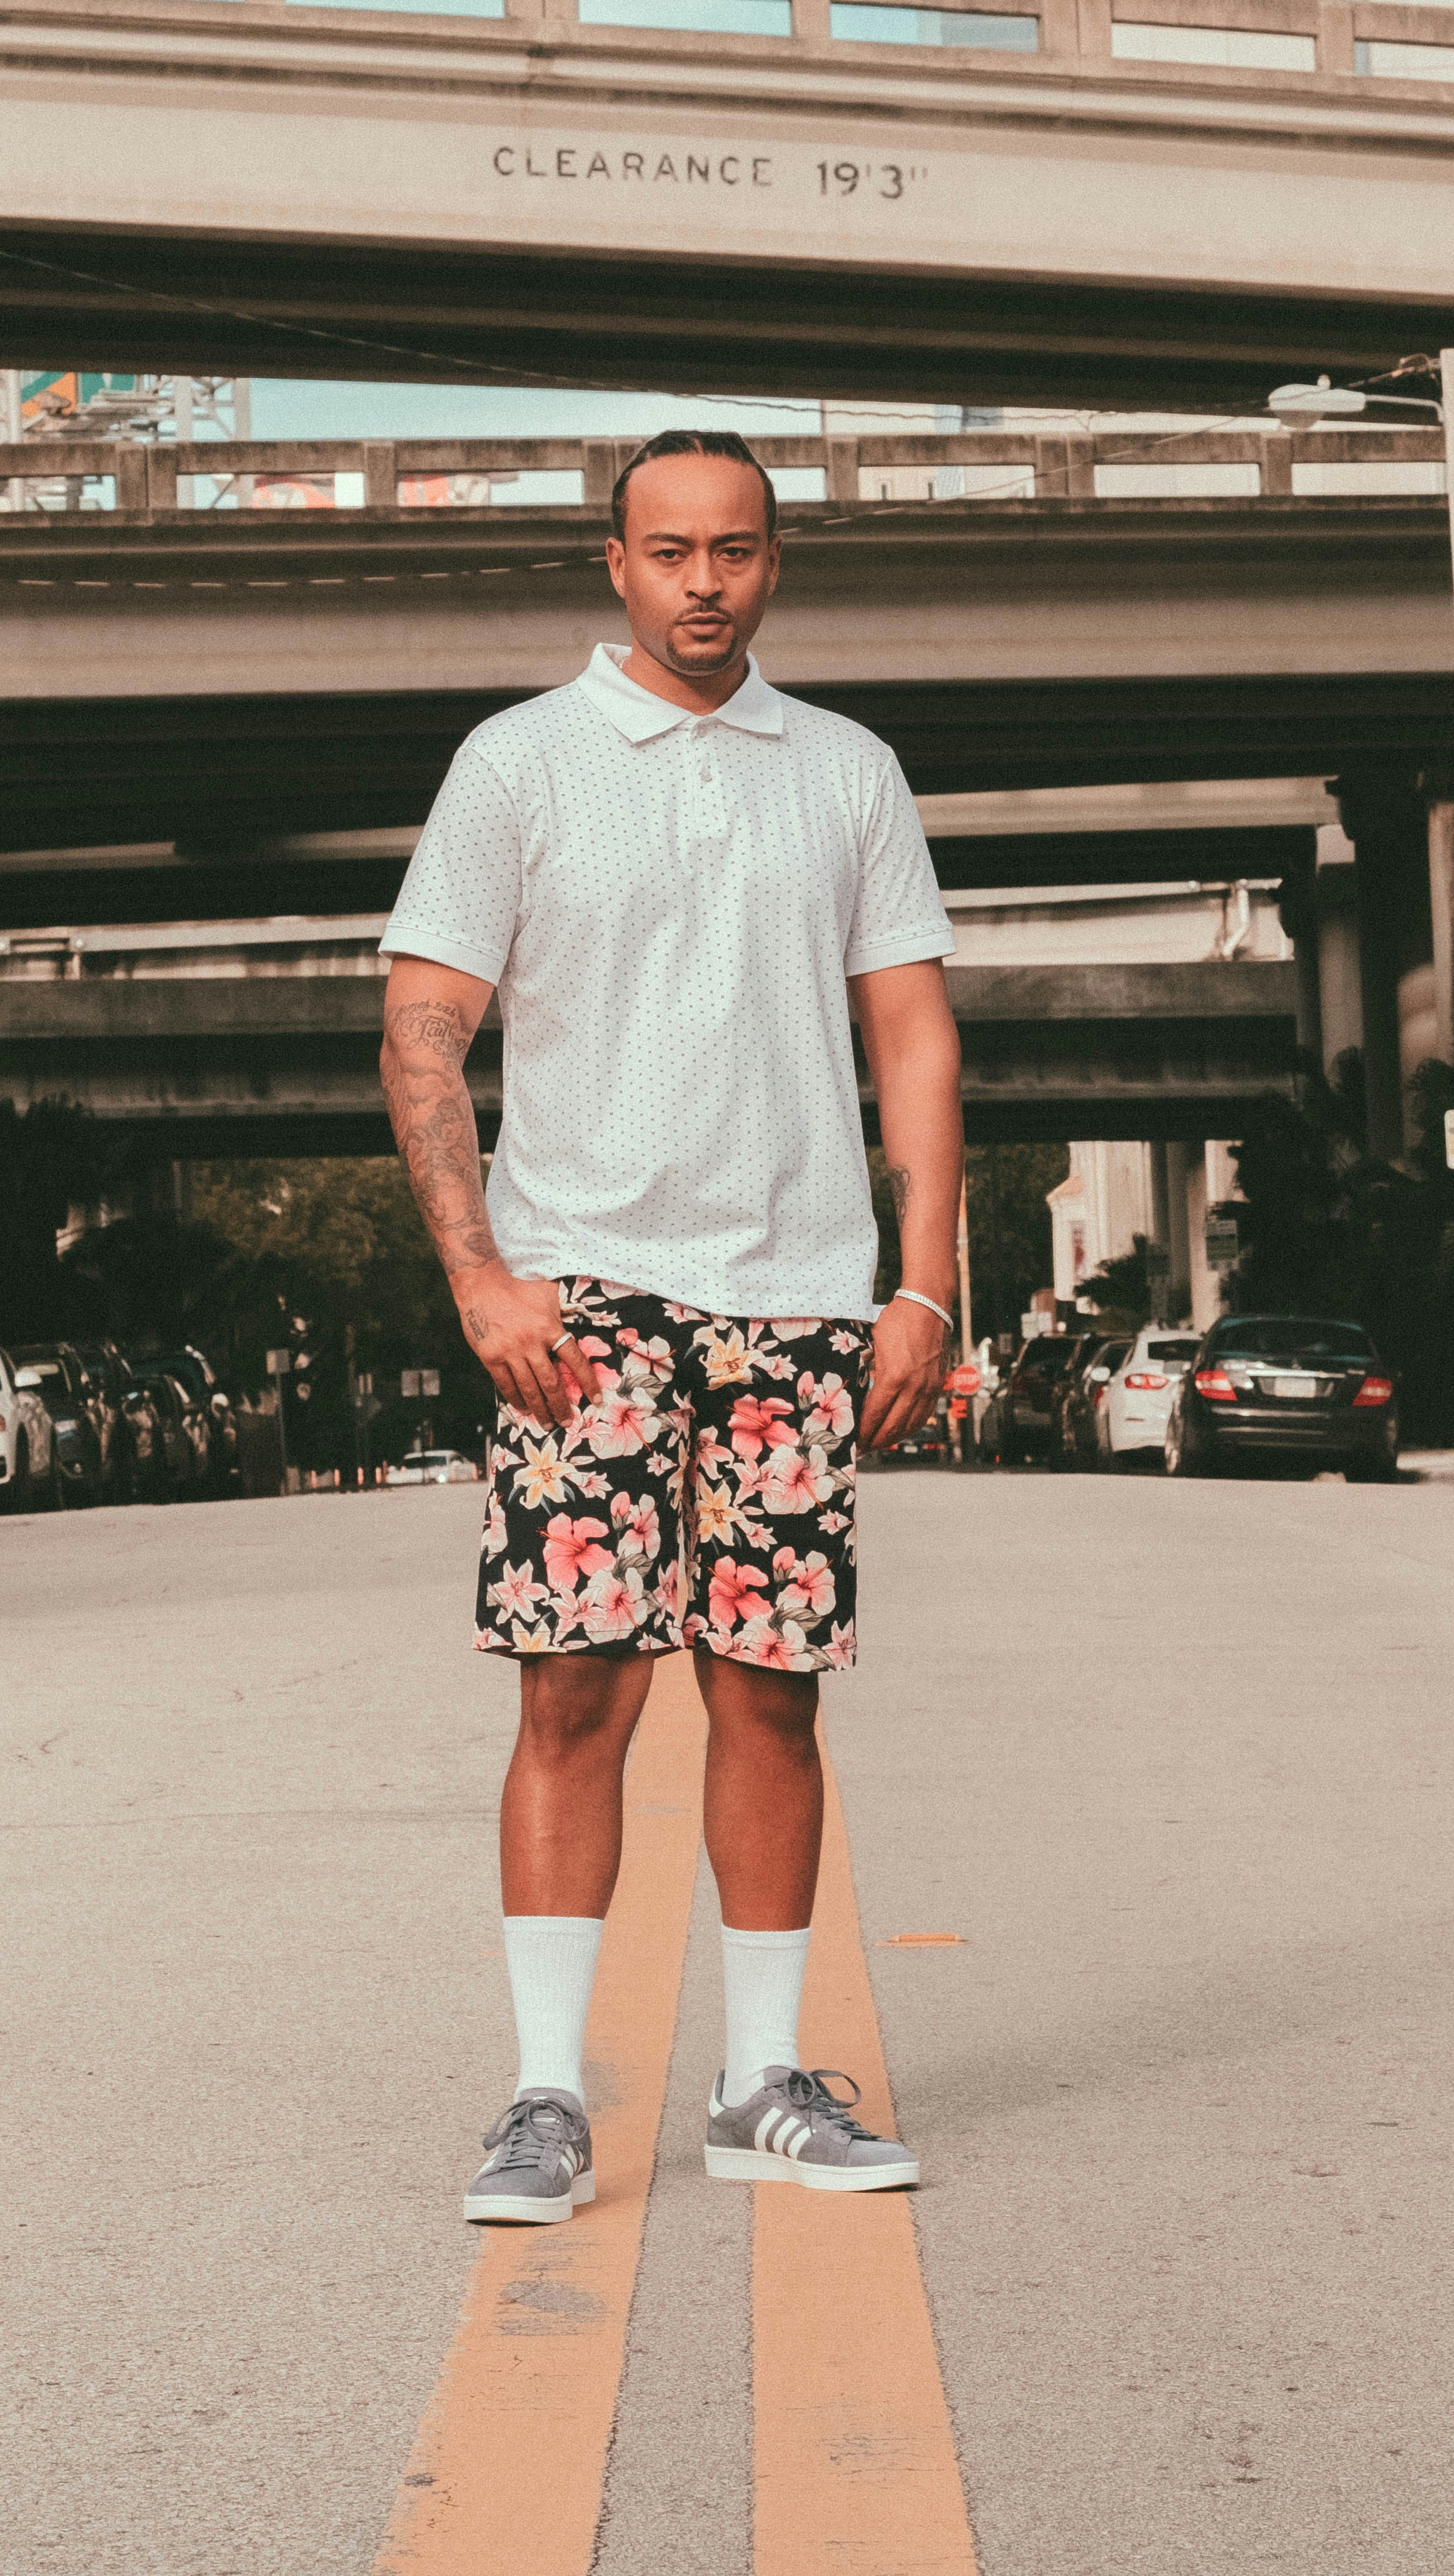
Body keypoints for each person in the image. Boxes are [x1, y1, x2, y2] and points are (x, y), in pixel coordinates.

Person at [378, 428, 963, 2223]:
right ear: (612, 566)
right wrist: (481, 1275)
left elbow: (915, 1042)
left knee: (769, 1696)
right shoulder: (520, 765)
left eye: (736, 549)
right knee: (575, 1693)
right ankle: (549, 2097)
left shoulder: (849, 772)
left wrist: (924, 1279)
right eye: (670, 551)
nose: (704, 581)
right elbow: (423, 1028)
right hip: (589, 1302)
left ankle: (762, 2084)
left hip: (794, 1301)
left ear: (774, 562)